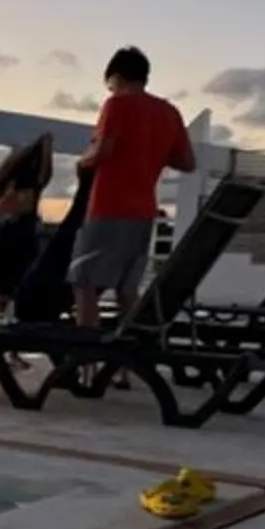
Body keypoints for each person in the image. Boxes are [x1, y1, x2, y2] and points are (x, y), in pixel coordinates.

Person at [67, 47, 194, 328]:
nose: (109, 90)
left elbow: (102, 152)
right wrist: (153, 149)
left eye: (109, 84)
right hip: (144, 212)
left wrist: (82, 161)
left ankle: (88, 361)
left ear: (116, 76)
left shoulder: (117, 104)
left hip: (109, 206)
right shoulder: (169, 112)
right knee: (127, 288)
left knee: (84, 283)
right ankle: (125, 362)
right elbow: (187, 162)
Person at [0, 130, 53, 320]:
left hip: (11, 243)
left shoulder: (7, 187)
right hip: (13, 243)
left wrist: (41, 148)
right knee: (6, 294)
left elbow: (43, 176)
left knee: (3, 295)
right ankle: (0, 331)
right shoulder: (15, 188)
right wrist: (44, 147)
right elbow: (44, 176)